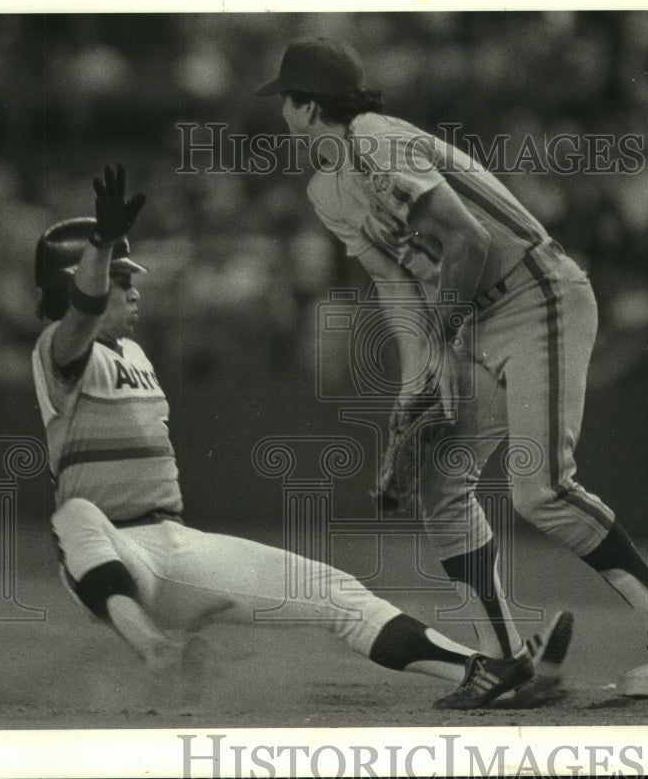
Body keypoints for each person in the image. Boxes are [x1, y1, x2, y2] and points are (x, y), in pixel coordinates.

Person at [256, 38, 648, 708]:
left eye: (285, 98)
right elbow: (398, 290)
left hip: (537, 292)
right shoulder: (328, 190)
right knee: (440, 486)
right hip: (471, 320)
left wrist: (439, 352)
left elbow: (472, 240)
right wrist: (416, 386)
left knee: (541, 488)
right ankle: (504, 660)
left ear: (308, 105)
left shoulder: (376, 139)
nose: (280, 112)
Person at [30, 164, 571, 711]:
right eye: (122, 279)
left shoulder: (134, 354)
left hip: (172, 547)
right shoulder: (60, 351)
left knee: (336, 593)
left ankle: (493, 671)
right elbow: (82, 314)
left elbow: (91, 307)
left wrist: (101, 251)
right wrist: (100, 245)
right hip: (107, 555)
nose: (133, 287)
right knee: (73, 515)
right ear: (74, 280)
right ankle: (152, 647)